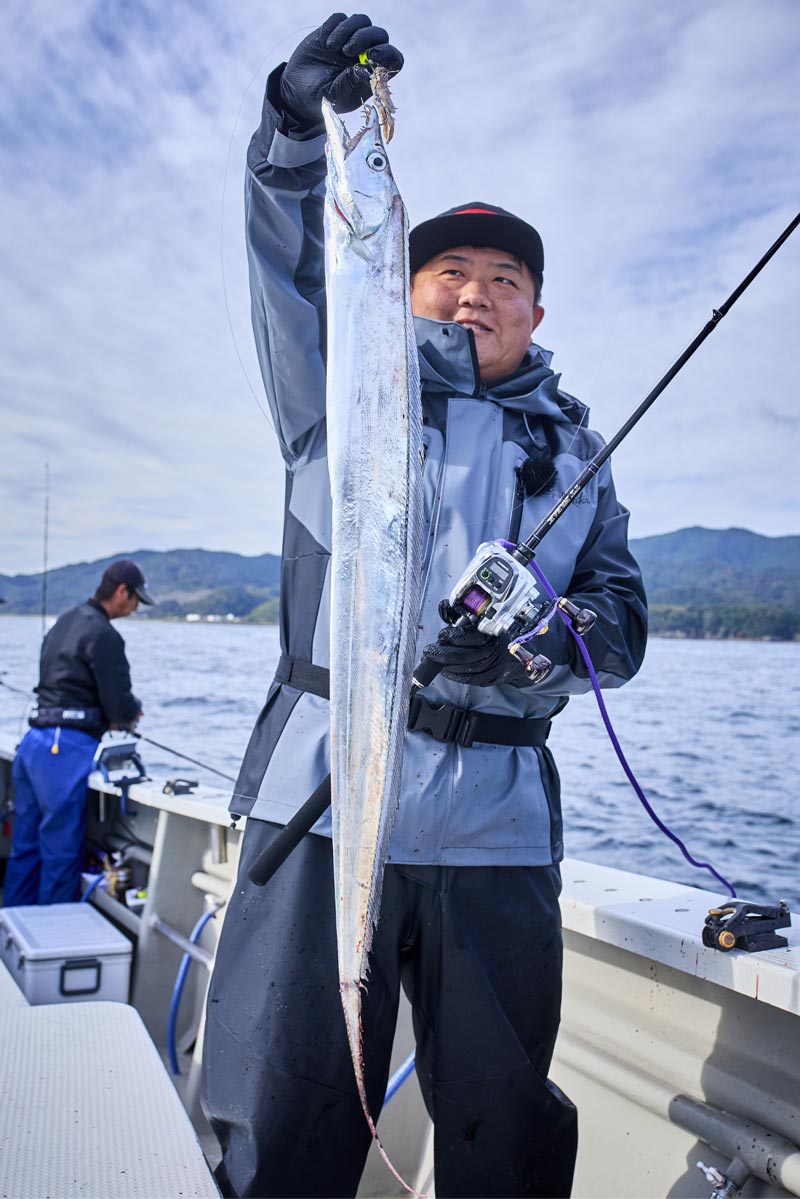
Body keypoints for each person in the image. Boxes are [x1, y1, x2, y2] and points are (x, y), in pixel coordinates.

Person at [202, 14, 647, 1199]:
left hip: (496, 837)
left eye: (505, 280)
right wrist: (297, 130)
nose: (474, 294)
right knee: (285, 1131)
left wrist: (537, 649)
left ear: (534, 316)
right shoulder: (332, 392)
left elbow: (620, 622)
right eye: (449, 269)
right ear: (400, 283)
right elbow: (287, 259)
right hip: (323, 808)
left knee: (499, 1142)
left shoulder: (580, 455)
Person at [3, 559, 154, 906]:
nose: (135, 608)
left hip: (34, 745)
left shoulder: (64, 621)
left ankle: (12, 933)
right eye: (136, 600)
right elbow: (119, 706)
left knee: (25, 847)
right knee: (59, 851)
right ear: (121, 592)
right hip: (64, 749)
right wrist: (132, 713)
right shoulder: (104, 635)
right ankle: (50, 937)